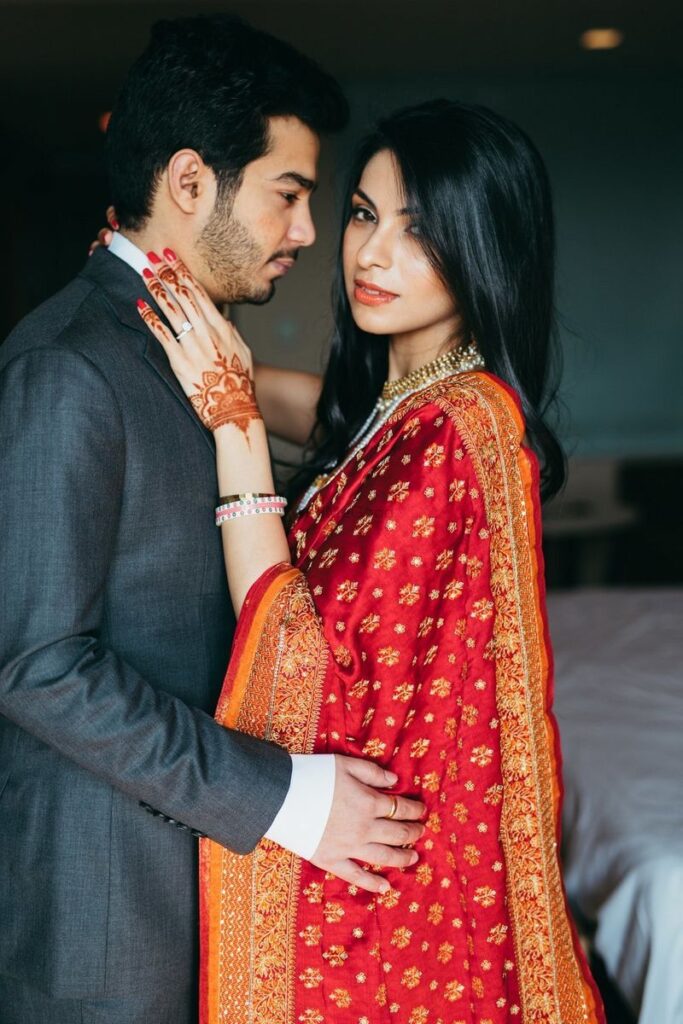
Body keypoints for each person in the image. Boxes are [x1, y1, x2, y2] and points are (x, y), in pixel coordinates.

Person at [136, 100, 606, 1023]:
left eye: (419, 229)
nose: (371, 253)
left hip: (386, 886)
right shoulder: (406, 405)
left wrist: (232, 423)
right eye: (362, 213)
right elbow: (342, 426)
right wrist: (170, 322)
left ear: (485, 248)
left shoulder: (460, 429)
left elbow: (302, 654)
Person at [0, 16, 426, 1024]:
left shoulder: (184, 344)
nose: (308, 233)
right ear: (191, 183)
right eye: (290, 193)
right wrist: (284, 797)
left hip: (207, 896)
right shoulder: (69, 367)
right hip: (106, 922)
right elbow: (36, 663)